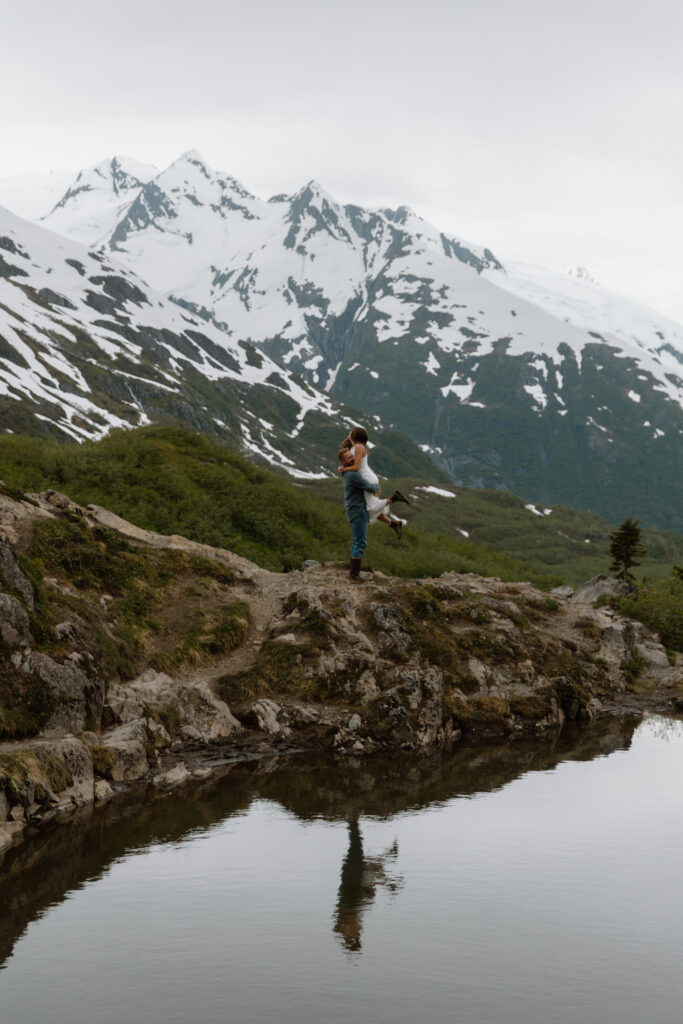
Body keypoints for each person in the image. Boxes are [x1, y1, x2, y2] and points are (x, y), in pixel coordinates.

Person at [339, 426, 410, 583]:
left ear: (354, 436)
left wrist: (343, 468)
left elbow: (356, 467)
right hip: (367, 479)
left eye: (351, 433)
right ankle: (393, 523)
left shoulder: (356, 449)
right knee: (370, 513)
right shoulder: (360, 446)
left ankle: (393, 499)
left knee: (370, 510)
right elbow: (351, 454)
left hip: (366, 479)